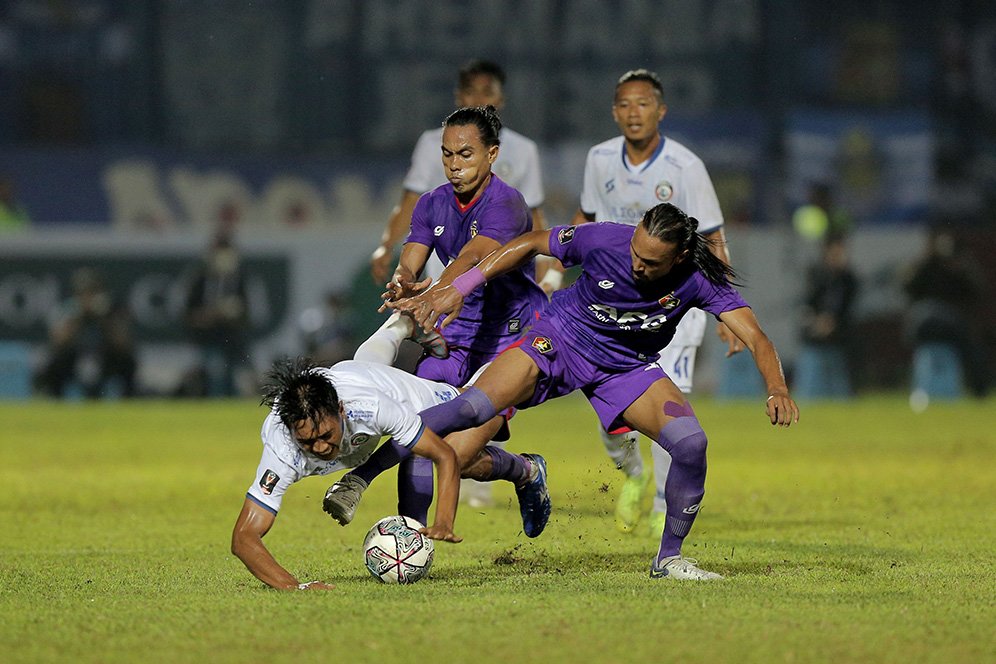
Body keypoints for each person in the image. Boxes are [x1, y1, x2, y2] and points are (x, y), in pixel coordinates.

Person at [390, 203, 799, 580]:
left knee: (691, 445)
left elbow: (758, 338)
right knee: (471, 409)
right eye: (635, 251)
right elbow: (532, 242)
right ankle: (366, 470)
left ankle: (668, 559)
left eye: (650, 261)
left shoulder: (698, 279)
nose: (636, 264)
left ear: (677, 258)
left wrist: (777, 388)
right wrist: (460, 287)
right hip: (560, 339)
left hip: (624, 367)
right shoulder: (606, 238)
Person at [325, 105, 550, 528]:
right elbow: (411, 257)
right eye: (447, 154)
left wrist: (439, 293)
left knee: (453, 454)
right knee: (423, 439)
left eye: (465, 154)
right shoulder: (431, 204)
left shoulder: (508, 205)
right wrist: (402, 281)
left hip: (511, 340)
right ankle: (414, 538)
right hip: (458, 335)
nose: (454, 165)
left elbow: (471, 258)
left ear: (492, 154)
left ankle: (526, 471)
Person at [559, 68, 741, 536]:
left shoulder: (684, 167)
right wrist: (556, 269)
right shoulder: (599, 159)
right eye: (624, 104)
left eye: (643, 104)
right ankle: (633, 475)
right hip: (612, 306)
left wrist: (726, 311)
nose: (633, 113)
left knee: (670, 410)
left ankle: (664, 505)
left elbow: (714, 236)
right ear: (614, 111)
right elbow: (586, 218)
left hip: (672, 305)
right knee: (609, 414)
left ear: (660, 110)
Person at [230, 357, 465, 591]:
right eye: (308, 442)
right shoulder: (282, 450)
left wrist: (444, 520)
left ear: (341, 411)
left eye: (325, 435)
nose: (320, 448)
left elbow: (444, 456)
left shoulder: (374, 407)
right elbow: (243, 538)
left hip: (379, 384)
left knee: (474, 418)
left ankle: (401, 328)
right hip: (347, 374)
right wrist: (295, 587)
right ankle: (396, 329)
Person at [35, 267, 137, 398]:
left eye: (93, 292)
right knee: (53, 365)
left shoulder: (112, 310)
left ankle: (127, 403)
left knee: (128, 363)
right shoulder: (67, 309)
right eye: (83, 293)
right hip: (74, 357)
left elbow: (123, 344)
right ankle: (56, 403)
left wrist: (105, 320)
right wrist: (79, 318)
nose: (88, 297)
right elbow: (58, 342)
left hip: (105, 357)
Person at [183, 232, 251, 397]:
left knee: (235, 376)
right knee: (216, 373)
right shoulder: (200, 280)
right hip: (208, 337)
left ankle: (231, 410)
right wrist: (210, 314)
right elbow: (188, 313)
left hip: (232, 338)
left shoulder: (237, 280)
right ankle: (217, 403)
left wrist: (232, 313)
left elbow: (246, 313)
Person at [796, 236, 859, 398]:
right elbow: (807, 303)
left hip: (840, 335)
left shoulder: (849, 279)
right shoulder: (816, 276)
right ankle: (808, 394)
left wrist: (832, 321)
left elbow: (847, 307)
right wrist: (818, 321)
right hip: (814, 333)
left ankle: (844, 394)